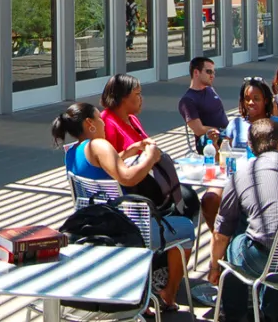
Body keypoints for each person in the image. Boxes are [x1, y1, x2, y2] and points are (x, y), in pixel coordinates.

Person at [52, 102, 193, 313]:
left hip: (93, 226)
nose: (103, 124)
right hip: (127, 230)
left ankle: (142, 291)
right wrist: (149, 157)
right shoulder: (98, 145)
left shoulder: (72, 152)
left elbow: (101, 168)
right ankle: (168, 293)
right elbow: (127, 178)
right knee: (186, 227)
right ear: (90, 123)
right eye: (100, 119)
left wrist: (126, 153)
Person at [209, 118, 278, 322]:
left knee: (234, 242)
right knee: (274, 237)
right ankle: (271, 313)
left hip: (270, 265)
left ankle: (235, 315)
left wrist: (214, 267)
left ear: (251, 147)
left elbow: (220, 233)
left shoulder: (242, 175)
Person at [100, 74, 216, 231]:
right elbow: (109, 164)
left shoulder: (132, 118)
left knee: (189, 196)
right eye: (137, 94)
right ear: (123, 98)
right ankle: (174, 241)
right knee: (188, 200)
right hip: (135, 189)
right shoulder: (108, 122)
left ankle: (176, 241)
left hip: (152, 179)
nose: (142, 98)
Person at [221, 77, 278, 153]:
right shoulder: (235, 124)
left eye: (256, 99)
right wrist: (214, 143)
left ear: (265, 101)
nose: (250, 103)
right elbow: (222, 156)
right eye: (247, 99)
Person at [178, 57, 228, 155]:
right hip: (208, 141)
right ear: (196, 72)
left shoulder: (210, 90)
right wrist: (223, 132)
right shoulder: (187, 100)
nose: (212, 75)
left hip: (225, 135)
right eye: (209, 72)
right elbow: (199, 130)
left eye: (214, 72)